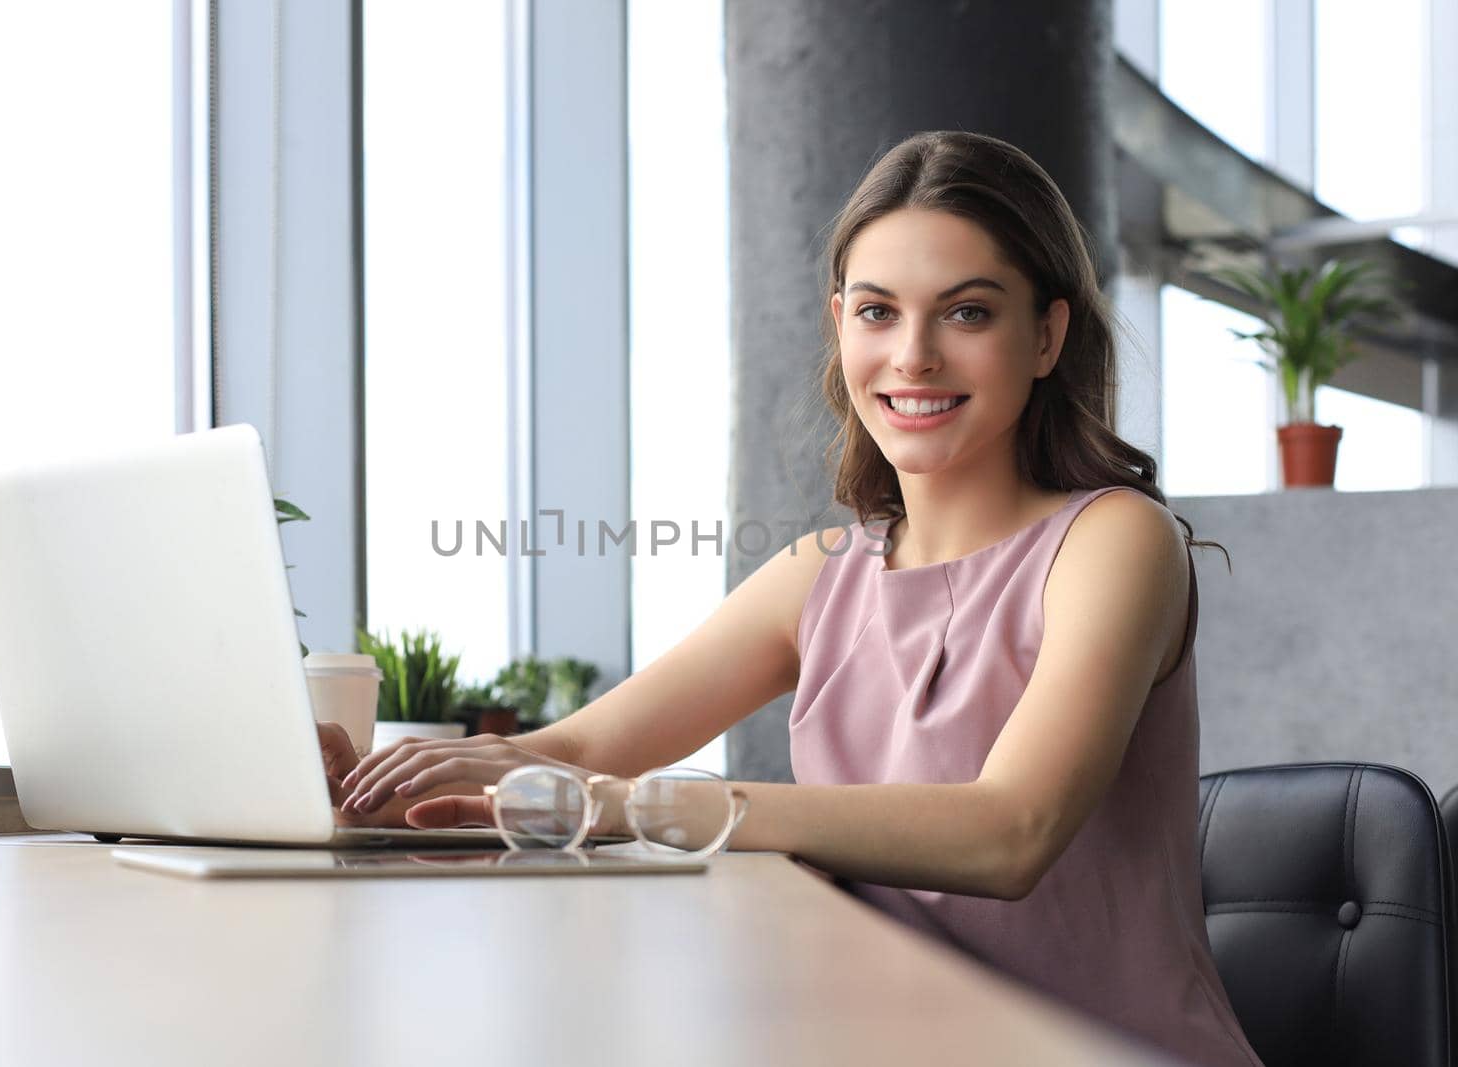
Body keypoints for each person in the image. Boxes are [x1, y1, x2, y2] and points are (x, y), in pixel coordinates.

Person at [317, 131, 1263, 1066]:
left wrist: (650, 805)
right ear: (839, 325)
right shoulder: (822, 574)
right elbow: (572, 749)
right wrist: (386, 786)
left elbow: (1010, 830)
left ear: (1047, 335)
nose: (915, 356)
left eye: (967, 313)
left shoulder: (1114, 542)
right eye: (878, 312)